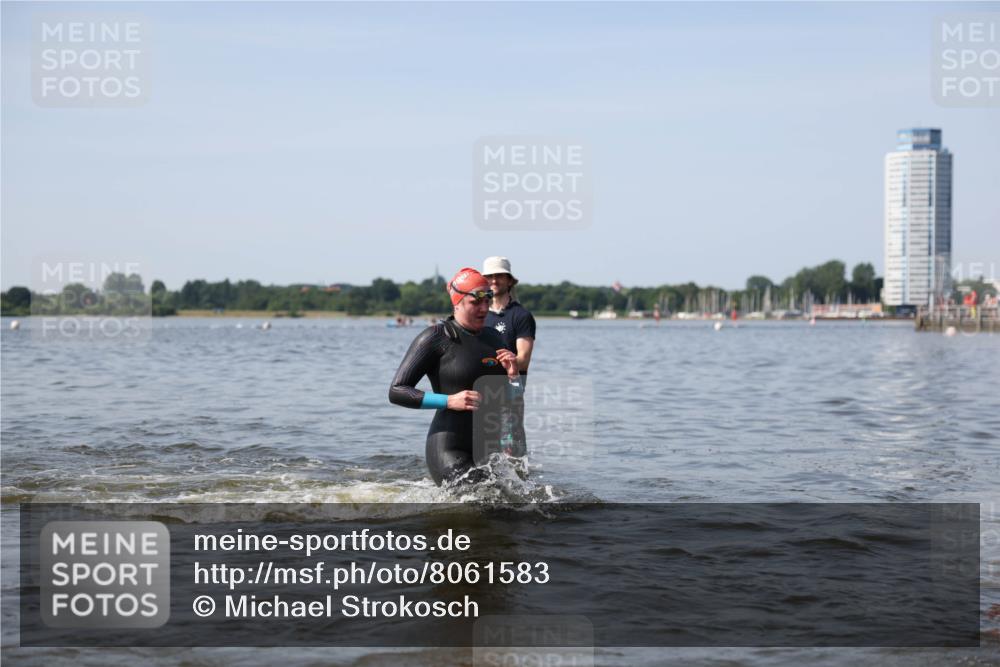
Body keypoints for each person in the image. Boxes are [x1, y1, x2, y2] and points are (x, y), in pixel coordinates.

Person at [389, 268, 523, 486]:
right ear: (457, 301)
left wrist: (514, 377)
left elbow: (512, 401)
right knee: (481, 502)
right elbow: (397, 391)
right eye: (475, 302)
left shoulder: (494, 338)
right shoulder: (435, 338)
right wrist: (449, 400)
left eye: (487, 300)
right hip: (449, 447)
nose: (483, 309)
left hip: (489, 449)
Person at [482, 257, 536, 378]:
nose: (494, 281)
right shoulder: (478, 314)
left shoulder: (522, 315)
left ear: (510, 281)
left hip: (511, 388)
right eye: (490, 276)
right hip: (481, 388)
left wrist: (508, 362)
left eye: (499, 276)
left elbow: (523, 362)